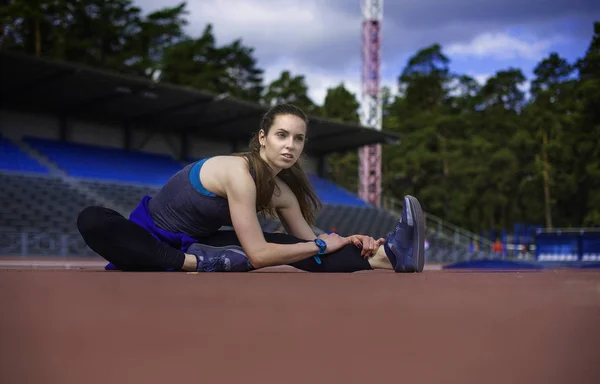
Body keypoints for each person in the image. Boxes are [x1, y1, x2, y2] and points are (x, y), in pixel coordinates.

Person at [76, 103, 425, 273]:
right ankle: (193, 264)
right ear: (262, 138)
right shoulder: (238, 173)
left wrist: (349, 241)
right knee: (93, 219)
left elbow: (310, 248)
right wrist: (320, 242)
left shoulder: (282, 192)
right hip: (144, 242)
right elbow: (258, 256)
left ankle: (391, 256)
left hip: (203, 244)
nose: (290, 145)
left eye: (298, 139)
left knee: (299, 249)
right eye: (281, 135)